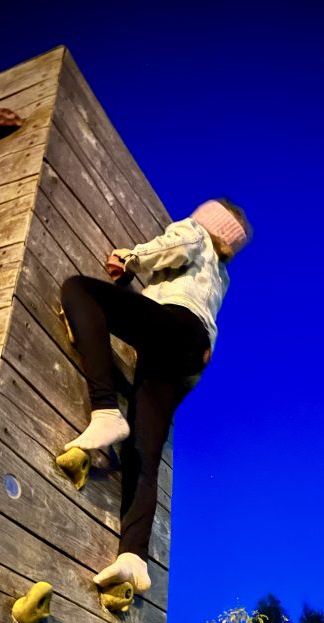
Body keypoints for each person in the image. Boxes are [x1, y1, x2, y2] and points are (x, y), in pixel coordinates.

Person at [59, 198, 251, 598]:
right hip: (191, 356)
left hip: (177, 326)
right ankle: (133, 558)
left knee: (79, 290)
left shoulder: (196, 232)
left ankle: (105, 410)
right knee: (143, 452)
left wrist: (131, 258)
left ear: (208, 220)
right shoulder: (220, 275)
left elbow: (174, 246)